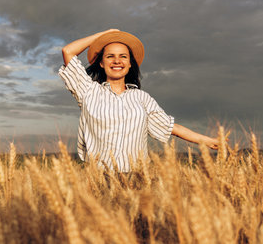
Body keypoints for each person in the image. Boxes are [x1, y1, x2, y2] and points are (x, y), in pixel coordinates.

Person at [59, 29, 218, 172]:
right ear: (101, 63)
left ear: (129, 64)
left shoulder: (142, 98)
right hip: (99, 177)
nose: (116, 61)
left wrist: (208, 141)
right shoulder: (88, 90)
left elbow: (170, 127)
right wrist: (107, 34)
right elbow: (68, 51)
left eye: (123, 56)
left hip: (138, 177)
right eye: (110, 56)